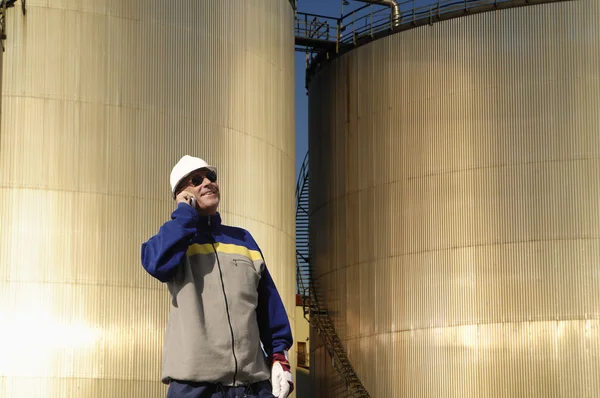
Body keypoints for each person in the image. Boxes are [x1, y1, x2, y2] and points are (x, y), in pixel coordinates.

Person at [141, 155, 294, 398]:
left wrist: (279, 356)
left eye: (211, 177)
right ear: (182, 193)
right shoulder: (175, 240)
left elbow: (268, 303)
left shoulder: (243, 240)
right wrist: (183, 215)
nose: (208, 183)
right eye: (196, 180)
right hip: (194, 388)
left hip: (252, 388)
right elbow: (156, 264)